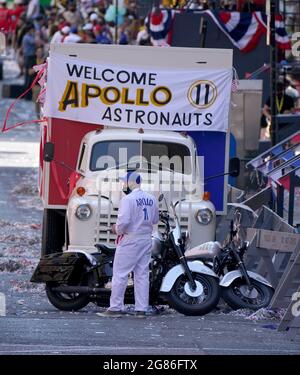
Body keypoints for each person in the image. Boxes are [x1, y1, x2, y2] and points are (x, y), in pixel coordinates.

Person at [97, 171, 159, 318]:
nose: (123, 185)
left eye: (124, 182)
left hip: (130, 240)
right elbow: (155, 219)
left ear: (130, 183)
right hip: (145, 239)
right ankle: (141, 309)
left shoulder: (128, 199)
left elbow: (123, 222)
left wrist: (115, 229)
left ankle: (115, 308)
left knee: (120, 274)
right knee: (142, 275)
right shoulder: (151, 198)